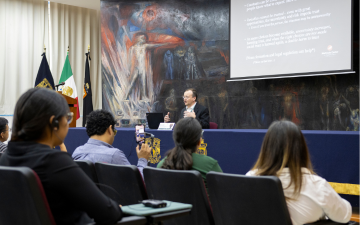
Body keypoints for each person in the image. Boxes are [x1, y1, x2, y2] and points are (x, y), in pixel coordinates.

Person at [0, 88, 123, 225]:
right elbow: (108, 212)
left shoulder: (6, 158)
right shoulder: (55, 162)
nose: (68, 123)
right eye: (68, 118)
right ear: (54, 123)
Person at [246, 120, 352, 225]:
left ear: (267, 149)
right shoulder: (317, 186)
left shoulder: (249, 179)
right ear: (301, 149)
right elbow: (345, 215)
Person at [72, 109, 151, 177]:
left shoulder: (77, 152)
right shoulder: (114, 155)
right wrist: (143, 159)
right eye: (114, 131)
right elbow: (139, 181)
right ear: (110, 129)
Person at [157, 117, 222, 186]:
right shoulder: (210, 165)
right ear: (199, 142)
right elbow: (224, 190)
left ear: (175, 139)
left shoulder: (161, 165)